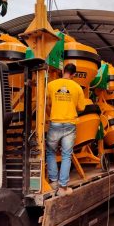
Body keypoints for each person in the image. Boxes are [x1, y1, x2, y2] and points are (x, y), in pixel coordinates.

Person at [46, 63, 85, 196]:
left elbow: (45, 101)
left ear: (63, 71)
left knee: (51, 152)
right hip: (69, 124)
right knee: (66, 155)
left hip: (55, 123)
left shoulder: (51, 85)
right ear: (74, 74)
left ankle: (53, 183)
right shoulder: (77, 87)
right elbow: (81, 108)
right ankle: (62, 188)